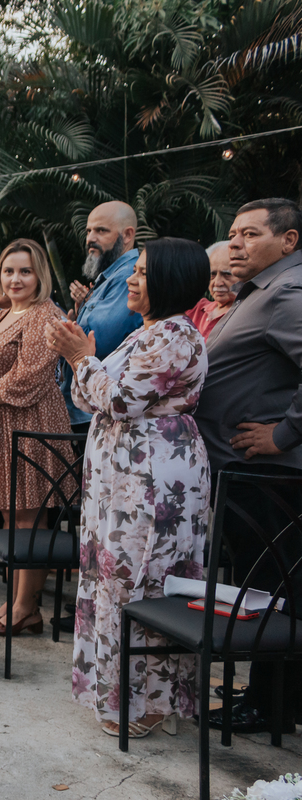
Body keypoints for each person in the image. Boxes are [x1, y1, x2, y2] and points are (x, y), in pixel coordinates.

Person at [47, 237, 211, 738]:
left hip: (153, 478)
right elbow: (87, 397)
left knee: (142, 577)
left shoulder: (175, 335)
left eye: (141, 272)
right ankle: (121, 690)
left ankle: (151, 701)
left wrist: (82, 358)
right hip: (120, 476)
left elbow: (119, 401)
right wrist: (83, 361)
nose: (131, 281)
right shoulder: (146, 332)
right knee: (112, 574)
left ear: (169, 280)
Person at [194, 198, 302, 734]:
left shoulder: (288, 292)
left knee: (271, 589)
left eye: (250, 234)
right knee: (260, 585)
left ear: (289, 241)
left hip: (267, 475)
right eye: (233, 233)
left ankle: (270, 704)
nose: (235, 243)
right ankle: (264, 694)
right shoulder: (259, 290)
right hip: (240, 471)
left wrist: (284, 434)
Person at [0, 238, 73, 635]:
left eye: (25, 271)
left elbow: (26, 378)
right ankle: (19, 601)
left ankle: (26, 606)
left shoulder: (45, 315)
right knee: (10, 514)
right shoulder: (2, 315)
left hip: (31, 424)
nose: (16, 279)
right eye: (8, 271)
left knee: (30, 517)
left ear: (40, 275)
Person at [60, 201, 143, 433]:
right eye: (88, 231)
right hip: (91, 407)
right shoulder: (110, 275)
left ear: (128, 235)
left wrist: (64, 329)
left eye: (101, 230)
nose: (90, 239)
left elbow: (101, 340)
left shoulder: (127, 276)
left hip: (105, 411)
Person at [184, 241, 236, 339]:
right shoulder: (195, 309)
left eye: (227, 274)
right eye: (212, 274)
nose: (217, 282)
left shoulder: (246, 315)